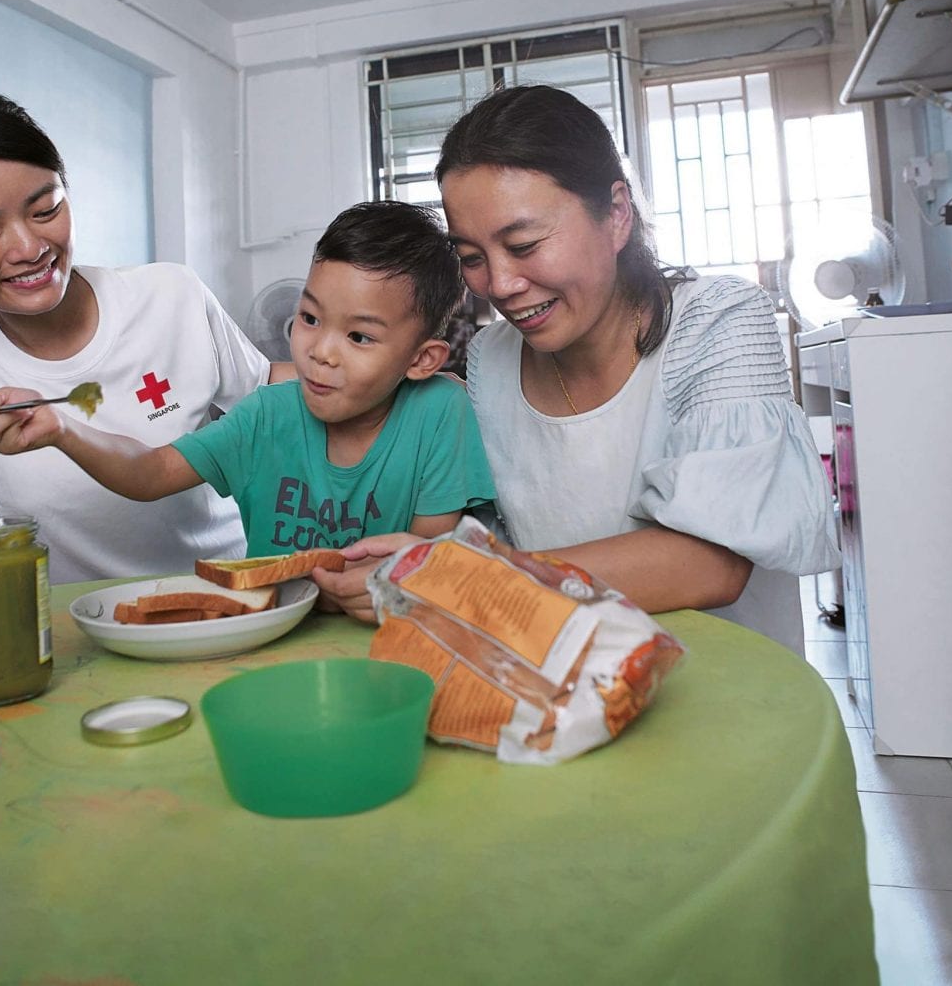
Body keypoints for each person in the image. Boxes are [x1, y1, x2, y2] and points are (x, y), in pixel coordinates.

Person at [314, 85, 839, 653]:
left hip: (725, 699)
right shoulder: (492, 358)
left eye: (524, 244)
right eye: (471, 258)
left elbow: (708, 563)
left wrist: (451, 576)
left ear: (616, 215)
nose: (501, 286)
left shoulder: (717, 321)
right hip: (567, 694)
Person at [0, 92, 287, 646]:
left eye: (46, 209)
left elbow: (275, 398)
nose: (29, 247)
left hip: (226, 603)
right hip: (67, 633)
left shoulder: (171, 294)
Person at [0, 201, 497, 566]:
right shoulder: (266, 415)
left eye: (359, 337)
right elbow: (152, 471)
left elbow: (428, 551)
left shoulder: (438, 409)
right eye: (309, 319)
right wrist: (60, 428)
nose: (320, 352)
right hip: (272, 632)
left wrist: (379, 583)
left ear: (423, 360)